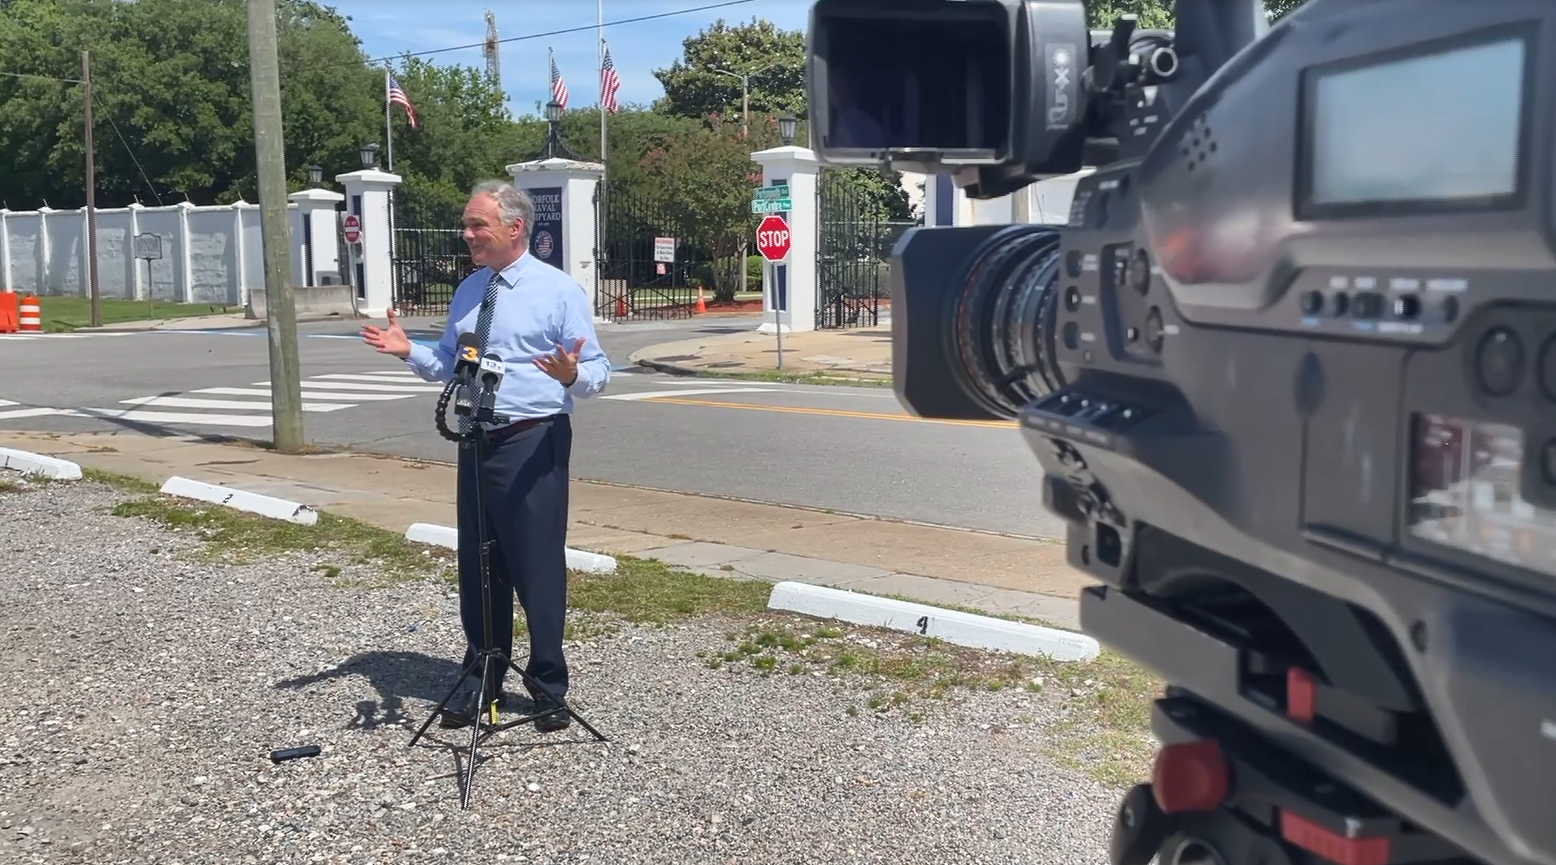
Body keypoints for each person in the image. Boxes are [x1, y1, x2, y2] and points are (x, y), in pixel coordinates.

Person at [360, 179, 611, 732]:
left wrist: (572, 375)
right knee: (479, 563)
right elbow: (452, 363)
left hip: (533, 438)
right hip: (476, 437)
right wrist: (410, 351)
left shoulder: (558, 291)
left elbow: (597, 370)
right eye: (468, 225)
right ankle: (482, 677)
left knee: (535, 566)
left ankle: (548, 686)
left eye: (478, 225)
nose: (468, 234)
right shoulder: (470, 289)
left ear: (515, 227)